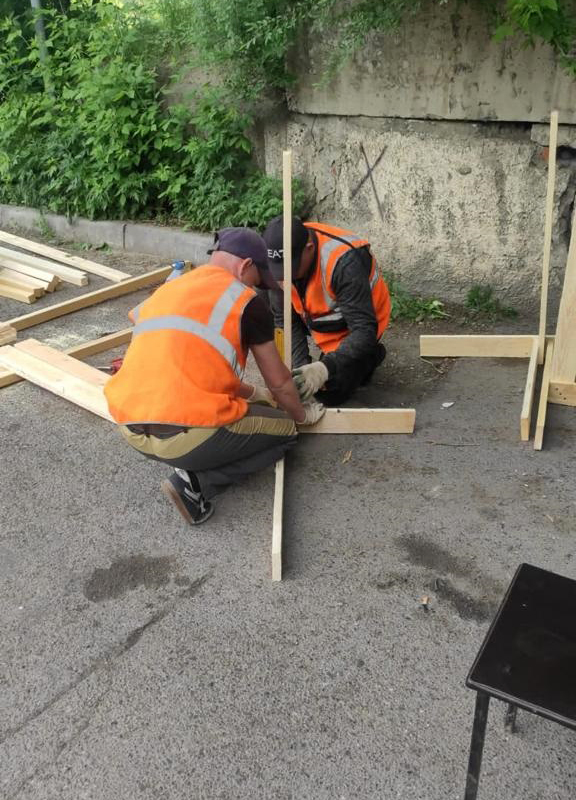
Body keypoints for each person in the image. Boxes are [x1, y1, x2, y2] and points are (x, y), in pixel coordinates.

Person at [104, 227, 325, 526]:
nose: (256, 287)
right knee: (286, 432)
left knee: (243, 411)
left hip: (130, 428)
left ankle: (191, 463)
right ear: (246, 265)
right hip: (185, 437)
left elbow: (194, 367)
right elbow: (280, 382)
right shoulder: (245, 302)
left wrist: (253, 394)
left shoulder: (170, 288)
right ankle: (197, 483)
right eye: (257, 279)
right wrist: (301, 414)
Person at [262, 216, 391, 406]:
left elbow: (363, 330)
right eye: (279, 273)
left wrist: (324, 368)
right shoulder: (279, 256)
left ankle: (371, 355)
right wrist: (300, 371)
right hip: (314, 317)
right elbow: (284, 320)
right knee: (262, 294)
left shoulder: (344, 262)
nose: (284, 280)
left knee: (330, 391)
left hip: (356, 325)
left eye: (291, 270)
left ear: (309, 249)